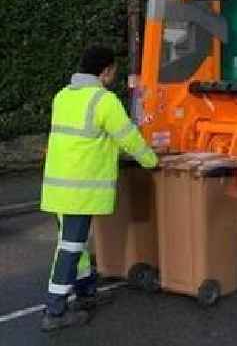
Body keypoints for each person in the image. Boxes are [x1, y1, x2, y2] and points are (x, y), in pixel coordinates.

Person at [40, 46, 158, 332]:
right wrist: (152, 160)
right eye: (113, 70)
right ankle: (54, 312)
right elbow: (128, 137)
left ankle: (86, 293)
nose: (114, 75)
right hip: (79, 191)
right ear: (105, 71)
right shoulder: (104, 101)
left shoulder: (63, 96)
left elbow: (86, 140)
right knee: (69, 249)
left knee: (76, 247)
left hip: (58, 187)